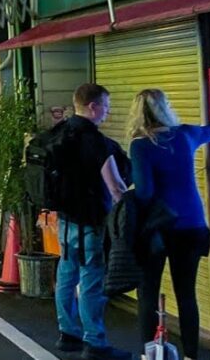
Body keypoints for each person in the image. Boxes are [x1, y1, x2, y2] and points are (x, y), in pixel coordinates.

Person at [129, 89, 210, 360]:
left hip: (157, 229)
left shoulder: (141, 145)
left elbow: (145, 192)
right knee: (186, 293)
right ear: (166, 108)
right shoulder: (186, 134)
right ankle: (190, 355)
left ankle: (147, 353)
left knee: (148, 291)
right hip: (192, 225)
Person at [53, 84, 132, 360]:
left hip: (64, 220)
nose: (107, 114)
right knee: (90, 280)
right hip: (90, 221)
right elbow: (116, 187)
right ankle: (95, 342)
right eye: (106, 108)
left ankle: (68, 333)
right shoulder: (94, 141)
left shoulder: (62, 132)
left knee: (66, 274)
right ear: (93, 107)